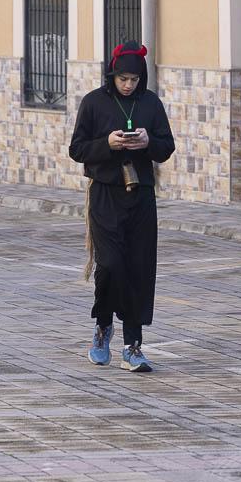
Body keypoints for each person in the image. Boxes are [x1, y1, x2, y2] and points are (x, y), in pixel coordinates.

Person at [70, 41, 175, 373]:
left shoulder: (151, 104)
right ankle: (103, 326)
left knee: (138, 268)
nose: (128, 85)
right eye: (123, 78)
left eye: (134, 79)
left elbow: (166, 146)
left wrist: (147, 143)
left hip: (141, 195)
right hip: (105, 194)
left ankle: (133, 345)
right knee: (111, 264)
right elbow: (77, 149)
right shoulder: (94, 103)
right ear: (112, 75)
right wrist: (108, 144)